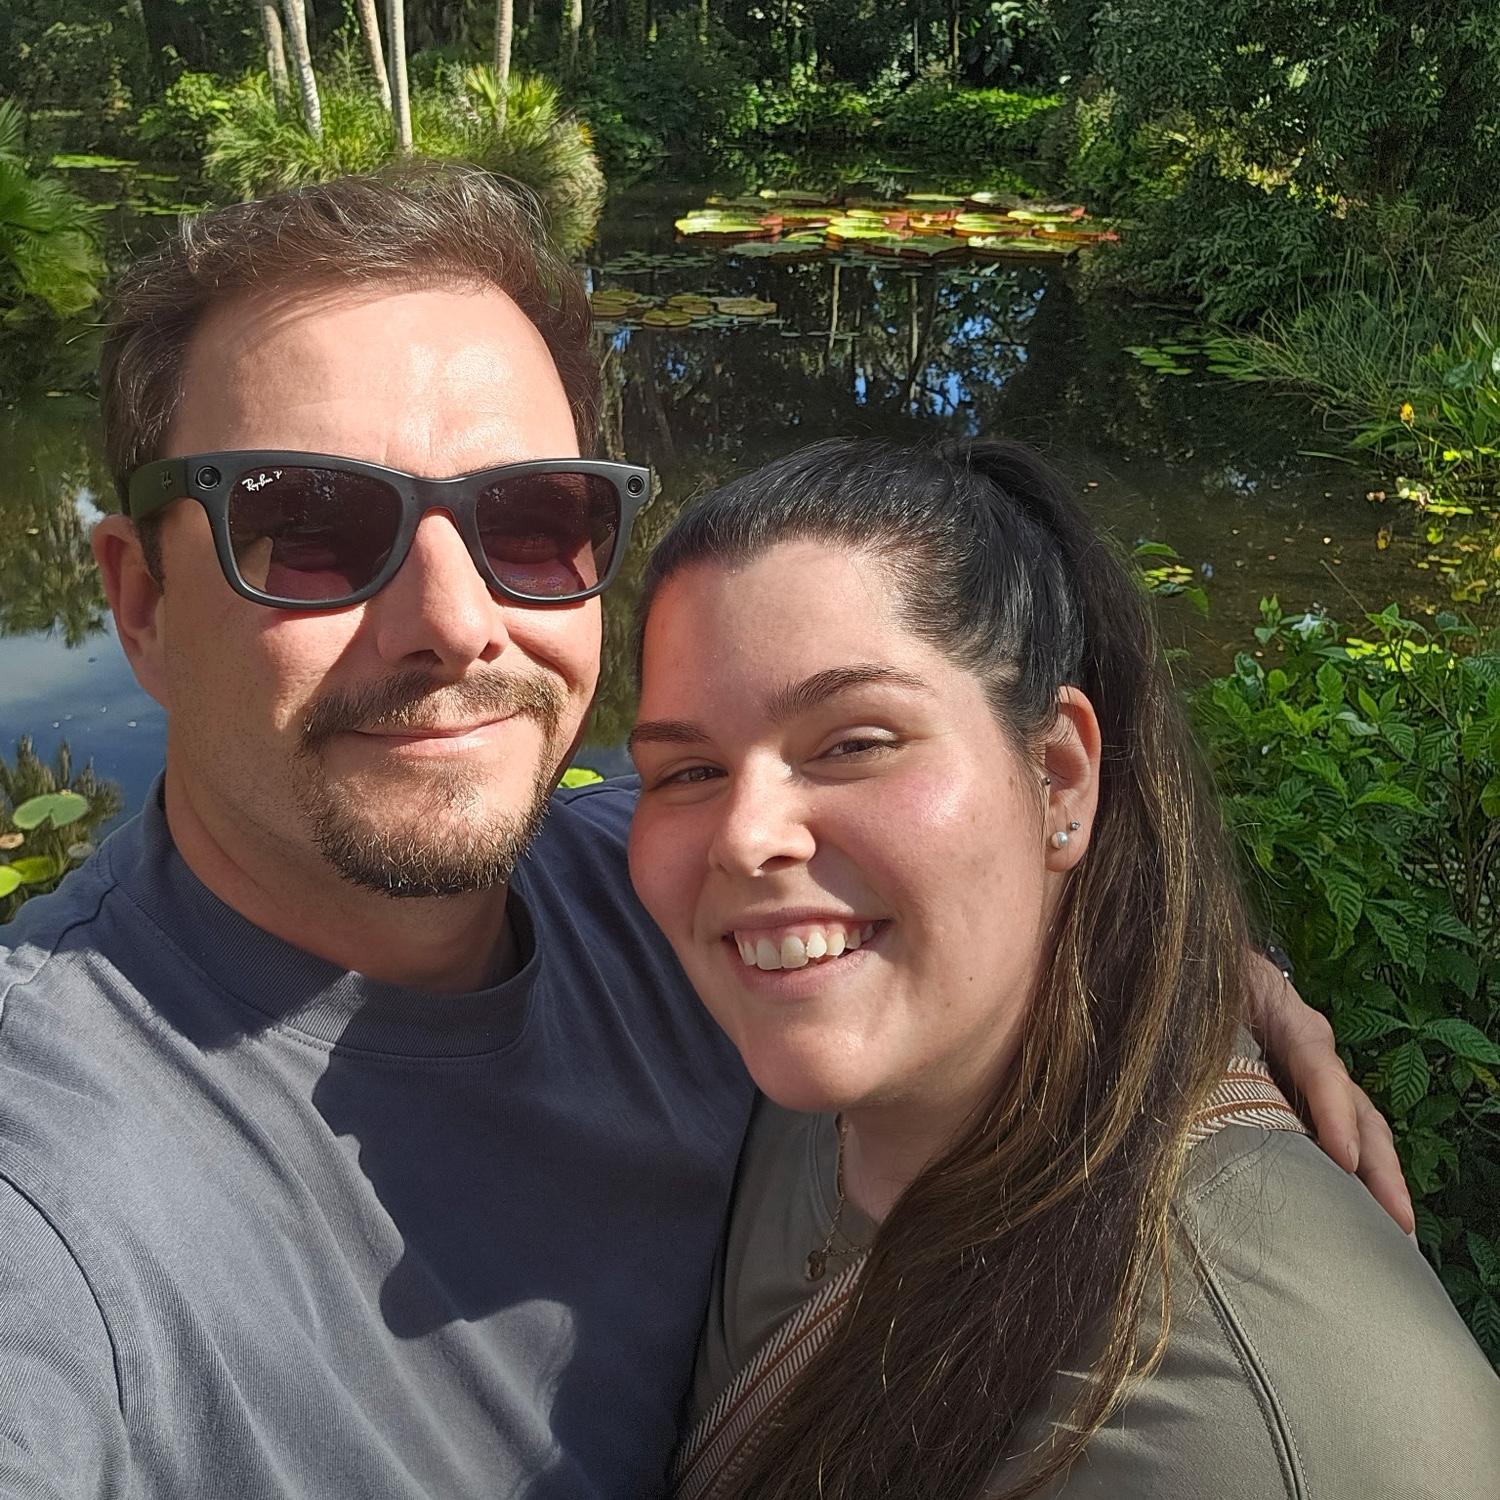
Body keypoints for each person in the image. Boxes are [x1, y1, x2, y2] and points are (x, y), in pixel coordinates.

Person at [0, 168, 1402, 1498]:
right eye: (310, 527)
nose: (455, 621)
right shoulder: (50, 1174)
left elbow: (953, 838)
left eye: (529, 519)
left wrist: (1195, 960)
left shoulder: (668, 887)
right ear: (140, 603)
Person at [625, 437, 1500, 1500]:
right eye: (688, 770)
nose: (743, 836)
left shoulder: (1269, 1419)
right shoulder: (824, 1025)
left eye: (854, 743)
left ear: (1059, 774)